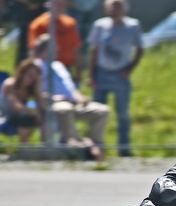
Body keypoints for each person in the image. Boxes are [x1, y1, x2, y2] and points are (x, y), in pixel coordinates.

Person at [33, 34, 108, 157]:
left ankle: (94, 144)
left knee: (102, 111)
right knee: (64, 108)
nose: (57, 49)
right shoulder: (36, 66)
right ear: (44, 48)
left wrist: (80, 97)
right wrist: (57, 98)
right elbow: (35, 92)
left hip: (72, 102)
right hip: (53, 102)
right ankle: (72, 144)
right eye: (54, 47)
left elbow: (70, 88)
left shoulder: (58, 65)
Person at [88, 0, 143, 156]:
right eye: (112, 7)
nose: (114, 11)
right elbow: (94, 51)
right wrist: (91, 75)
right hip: (102, 73)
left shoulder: (132, 26)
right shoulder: (100, 25)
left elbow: (140, 49)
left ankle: (123, 148)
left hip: (120, 73)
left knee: (122, 113)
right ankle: (96, 147)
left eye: (118, 7)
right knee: (96, 113)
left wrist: (130, 69)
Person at [28, 0, 83, 81]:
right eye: (57, 4)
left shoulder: (70, 23)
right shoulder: (38, 24)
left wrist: (78, 72)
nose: (60, 7)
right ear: (49, 5)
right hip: (44, 67)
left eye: (62, 4)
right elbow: (33, 49)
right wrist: (32, 69)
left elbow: (76, 49)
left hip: (65, 66)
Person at [0, 59, 45, 143]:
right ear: (22, 72)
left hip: (26, 114)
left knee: (46, 117)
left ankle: (46, 147)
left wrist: (37, 88)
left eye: (34, 77)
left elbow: (40, 105)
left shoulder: (31, 88)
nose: (31, 79)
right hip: (7, 115)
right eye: (29, 75)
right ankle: (24, 148)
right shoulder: (9, 85)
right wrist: (36, 113)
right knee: (24, 119)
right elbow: (17, 107)